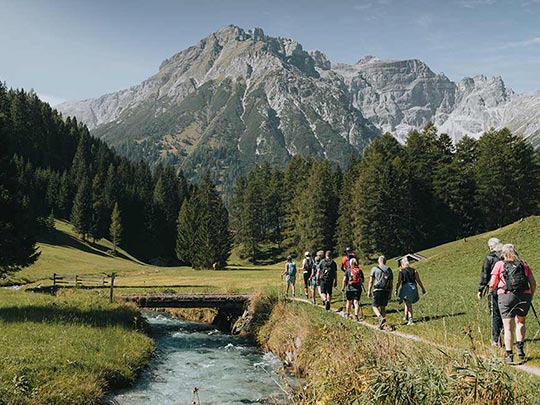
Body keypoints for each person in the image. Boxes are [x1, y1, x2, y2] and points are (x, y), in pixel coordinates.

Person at [489, 244, 536, 364]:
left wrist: (491, 291)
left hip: (506, 296)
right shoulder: (524, 264)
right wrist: (530, 295)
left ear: (503, 254)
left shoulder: (500, 264)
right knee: (521, 322)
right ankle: (520, 349)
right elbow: (533, 282)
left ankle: (509, 355)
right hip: (524, 295)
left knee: (508, 327)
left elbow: (492, 283)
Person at [478, 238, 504, 347]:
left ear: (491, 247)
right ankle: (506, 336)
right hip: (507, 289)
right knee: (505, 314)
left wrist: (480, 290)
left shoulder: (489, 258)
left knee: (495, 314)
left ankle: (496, 339)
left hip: (494, 289)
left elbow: (485, 275)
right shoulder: (505, 256)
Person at [395, 257, 426, 325]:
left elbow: (399, 281)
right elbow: (418, 281)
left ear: (403, 264)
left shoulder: (401, 271)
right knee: (407, 302)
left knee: (408, 304)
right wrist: (423, 288)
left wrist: (396, 289)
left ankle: (410, 319)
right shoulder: (414, 270)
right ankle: (405, 316)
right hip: (413, 287)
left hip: (406, 288)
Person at [367, 256, 393, 329]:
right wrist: (390, 293)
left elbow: (371, 281)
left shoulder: (374, 269)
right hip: (386, 290)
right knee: (383, 307)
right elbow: (391, 283)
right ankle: (382, 325)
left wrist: (369, 290)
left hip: (377, 289)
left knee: (374, 306)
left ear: (379, 260)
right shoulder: (389, 269)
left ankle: (380, 317)